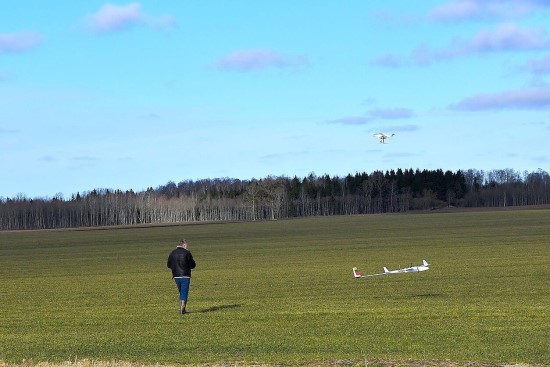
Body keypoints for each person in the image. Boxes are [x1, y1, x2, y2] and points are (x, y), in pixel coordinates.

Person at [167, 238, 196, 314]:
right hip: (185, 275)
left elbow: (168, 265)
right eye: (186, 245)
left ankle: (182, 308)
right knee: (184, 291)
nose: (187, 247)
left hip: (176, 275)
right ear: (184, 245)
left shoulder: (172, 253)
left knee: (181, 291)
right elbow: (192, 265)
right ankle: (182, 308)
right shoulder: (187, 253)